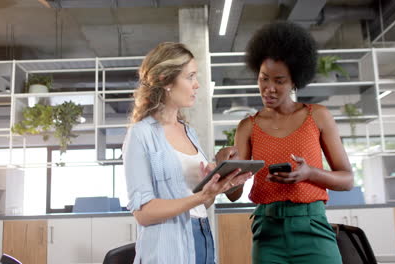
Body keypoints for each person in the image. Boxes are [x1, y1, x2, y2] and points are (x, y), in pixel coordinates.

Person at [228, 22, 354, 263]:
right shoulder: (247, 127)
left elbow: (347, 180)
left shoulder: (317, 116)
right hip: (268, 232)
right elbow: (234, 194)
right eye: (264, 79)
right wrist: (227, 169)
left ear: (294, 81)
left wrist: (309, 174)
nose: (269, 88)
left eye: (280, 81)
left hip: (313, 226)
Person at [122, 42, 253, 264]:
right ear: (165, 80)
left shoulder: (189, 132)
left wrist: (217, 188)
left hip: (202, 236)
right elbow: (143, 213)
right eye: (190, 76)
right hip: (166, 249)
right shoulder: (141, 134)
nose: (197, 85)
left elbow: (199, 205)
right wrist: (200, 196)